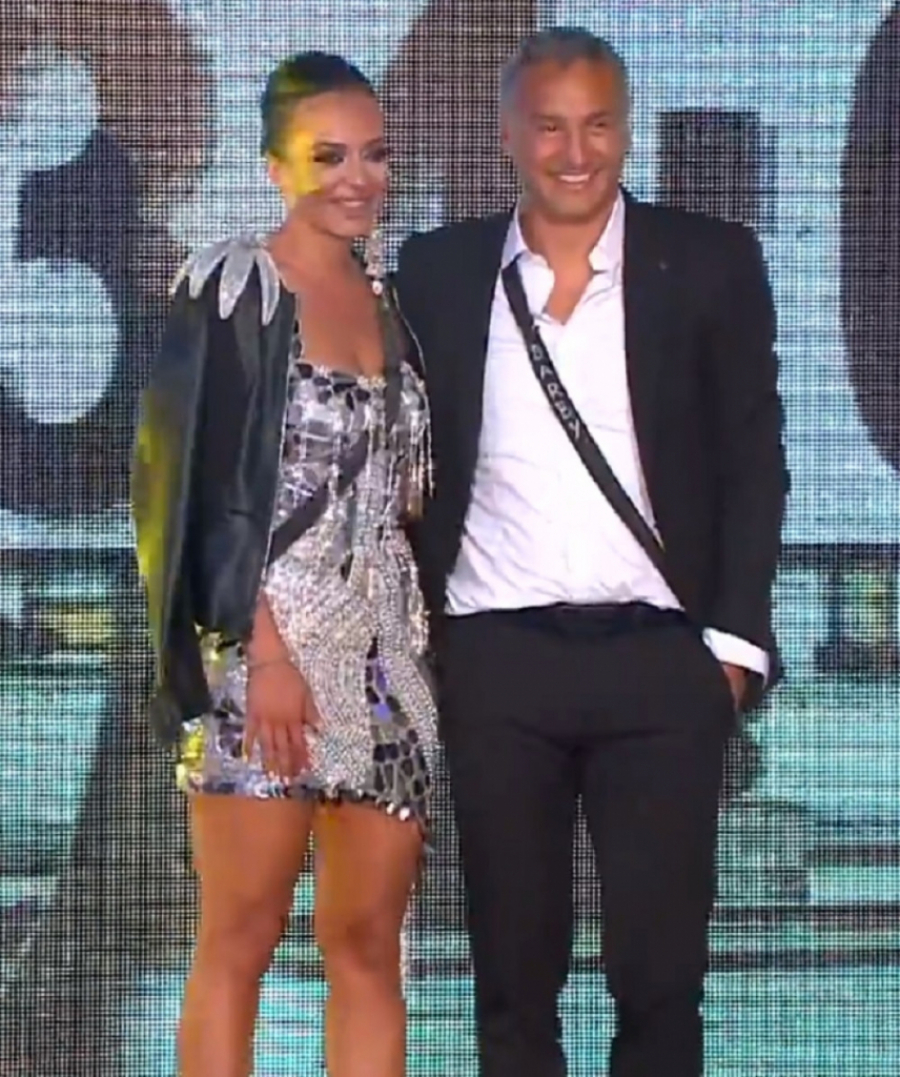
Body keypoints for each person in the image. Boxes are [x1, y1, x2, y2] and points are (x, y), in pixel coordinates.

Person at [394, 26, 788, 1077]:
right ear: (507, 135)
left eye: (598, 125)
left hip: (663, 662)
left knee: (661, 978)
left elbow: (754, 460)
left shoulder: (707, 262)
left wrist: (731, 650)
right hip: (496, 661)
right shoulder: (436, 271)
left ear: (627, 130)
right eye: (551, 127)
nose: (577, 153)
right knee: (511, 979)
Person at [131, 51, 436, 1077]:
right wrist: (262, 652)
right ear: (275, 167)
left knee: (369, 948)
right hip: (264, 652)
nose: (358, 178)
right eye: (327, 155)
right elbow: (185, 489)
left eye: (375, 155)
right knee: (242, 936)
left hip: (388, 665)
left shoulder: (397, 304)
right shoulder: (233, 290)